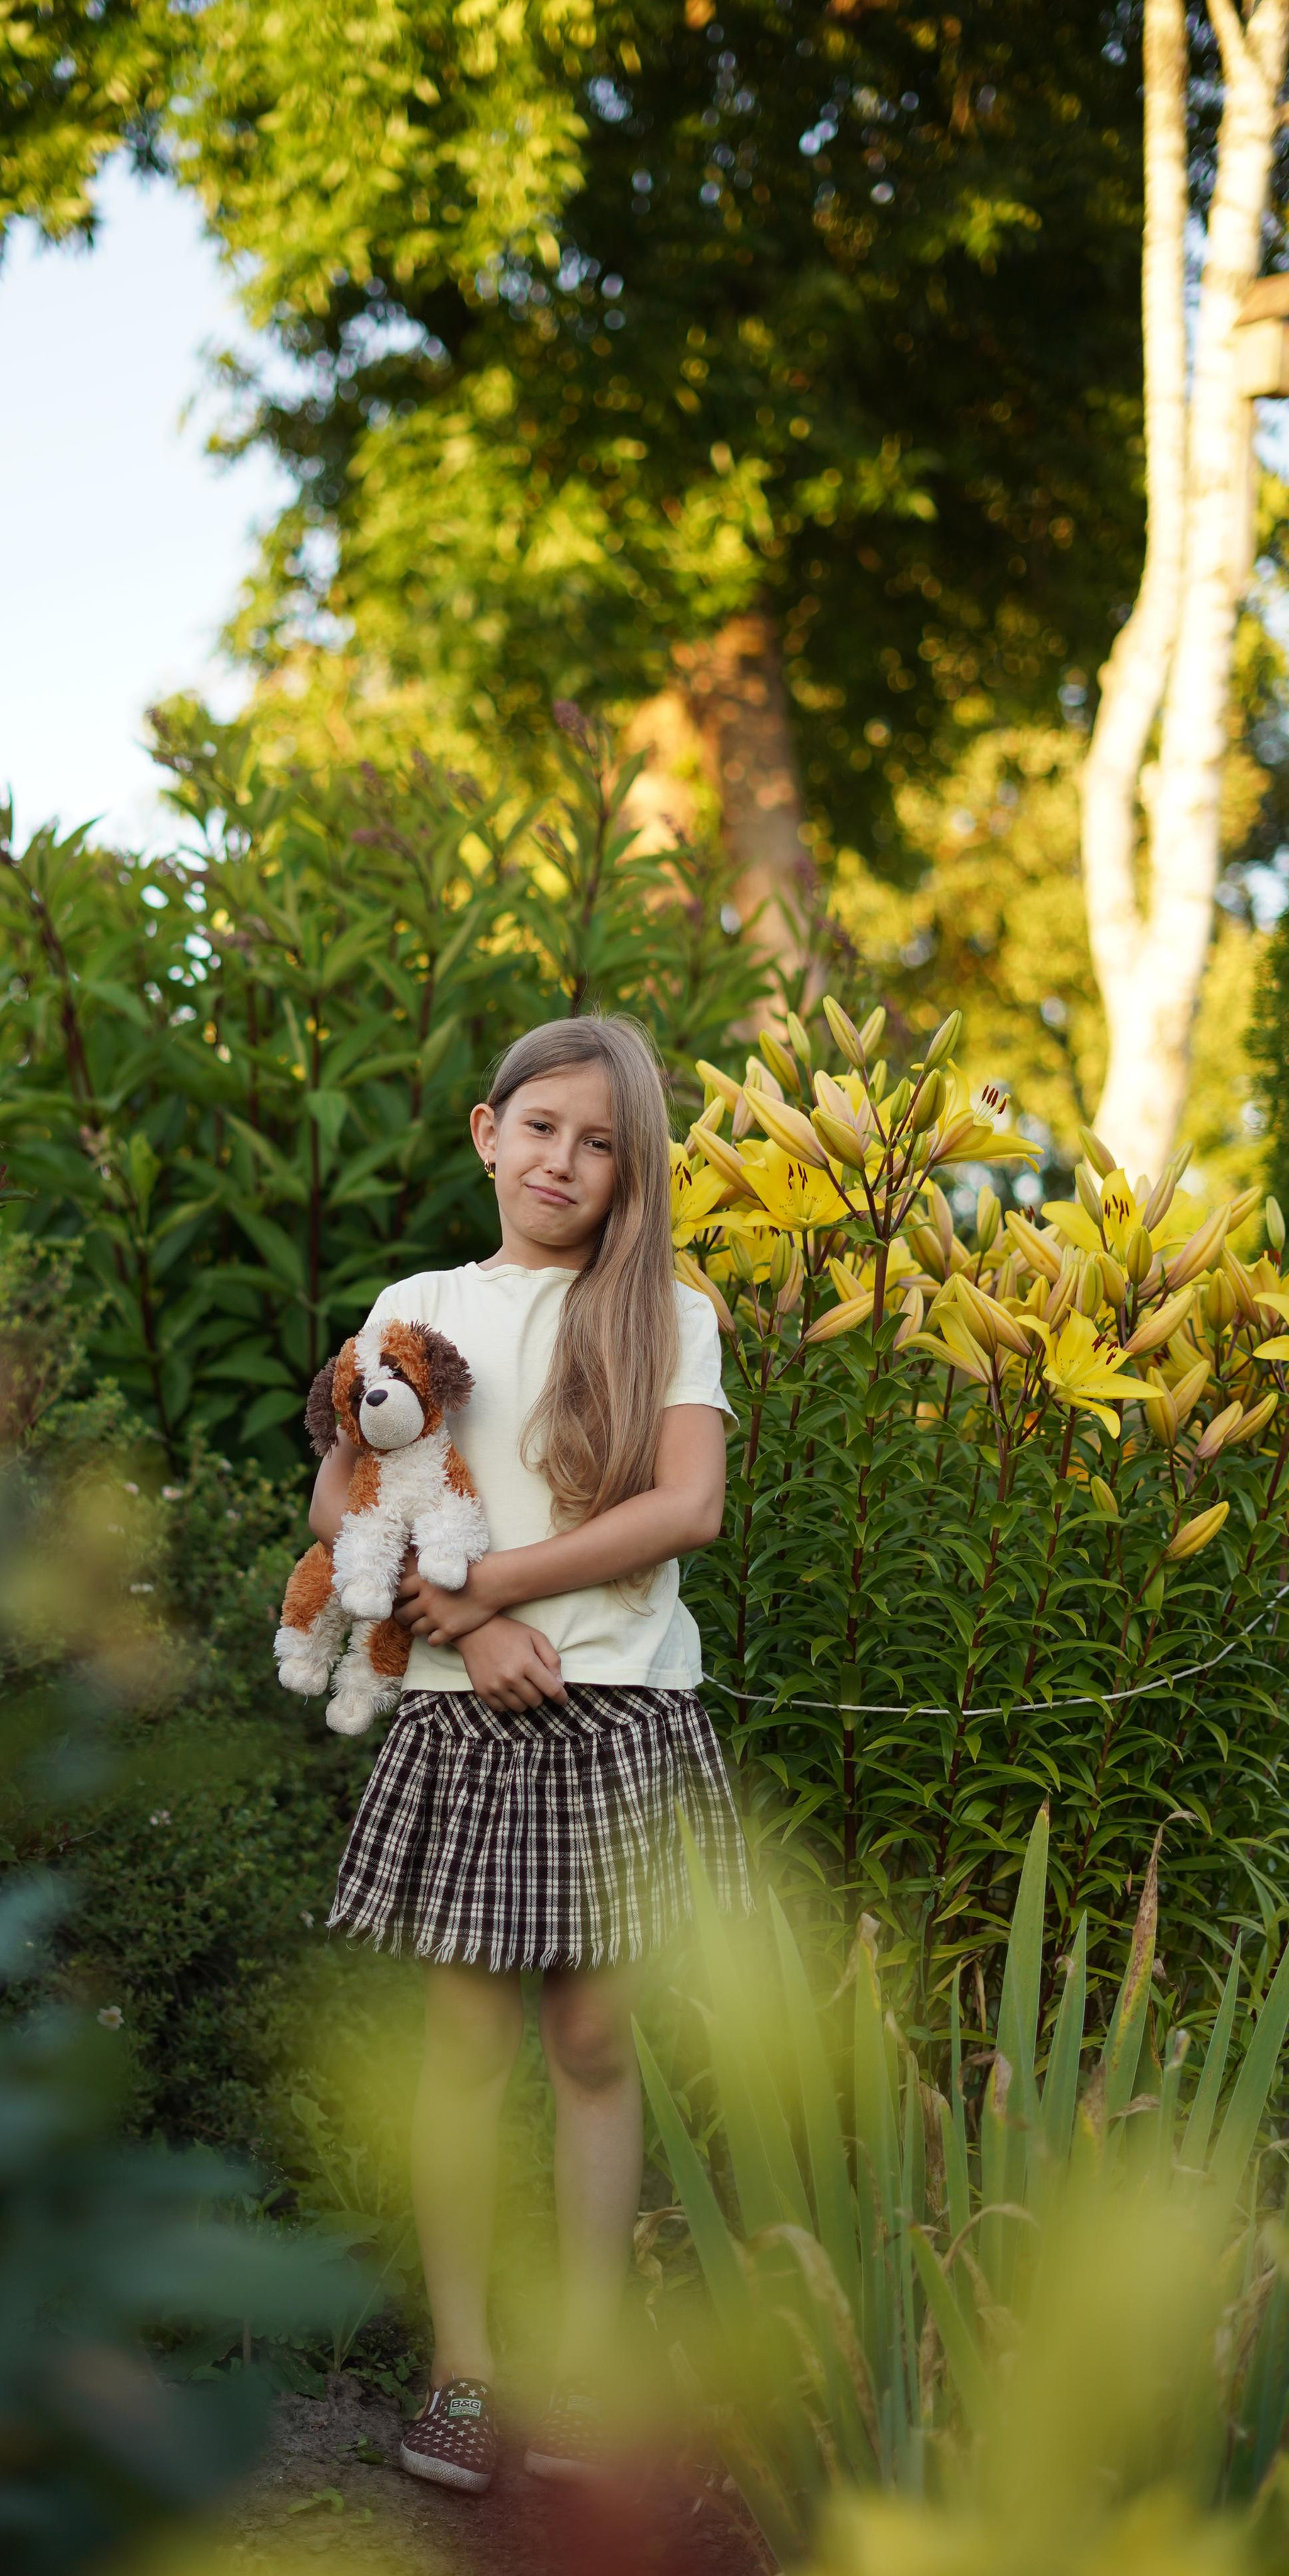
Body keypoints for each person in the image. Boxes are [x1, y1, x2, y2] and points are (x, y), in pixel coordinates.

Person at [310, 1013, 748, 2495]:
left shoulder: (663, 1317)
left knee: (592, 2042)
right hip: (458, 1711)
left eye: (600, 1143)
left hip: (616, 1707)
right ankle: (462, 2369)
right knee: (464, 2044)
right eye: (540, 1127)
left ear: (630, 1176)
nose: (563, 1160)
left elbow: (684, 1512)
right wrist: (462, 1629)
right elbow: (343, 1495)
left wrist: (491, 1588)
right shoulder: (418, 1303)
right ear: (488, 1134)